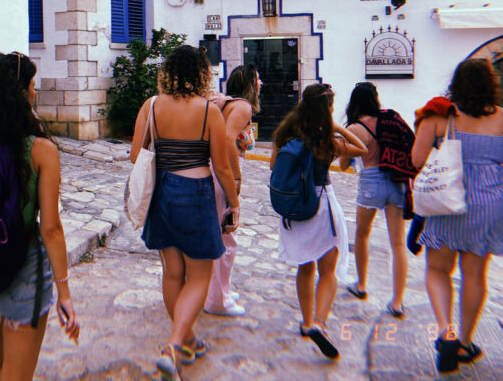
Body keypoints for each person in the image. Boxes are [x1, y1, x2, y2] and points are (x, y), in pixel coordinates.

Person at [0, 52, 79, 380]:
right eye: (32, 86)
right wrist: (64, 293)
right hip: (21, 270)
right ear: (18, 93)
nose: (35, 93)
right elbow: (51, 229)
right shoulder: (40, 150)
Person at [130, 45, 239, 381]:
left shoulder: (151, 106)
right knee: (200, 277)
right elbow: (221, 166)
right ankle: (173, 345)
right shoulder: (210, 112)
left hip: (161, 195)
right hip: (195, 196)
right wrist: (234, 202)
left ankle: (189, 341)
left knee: (173, 273)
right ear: (201, 73)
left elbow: (136, 155)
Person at [411, 58, 503, 374]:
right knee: (474, 276)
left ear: (456, 84)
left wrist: (428, 130)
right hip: (491, 206)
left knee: (437, 270)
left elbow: (417, 160)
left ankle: (445, 331)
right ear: (492, 84)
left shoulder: (440, 118)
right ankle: (465, 341)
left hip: (449, 202)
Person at [270, 83, 367, 360]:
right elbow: (361, 148)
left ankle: (305, 321)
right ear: (328, 109)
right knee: (329, 268)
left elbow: (272, 166)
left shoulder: (286, 134)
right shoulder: (326, 140)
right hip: (321, 205)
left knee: (305, 265)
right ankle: (320, 324)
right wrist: (337, 127)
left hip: (295, 207)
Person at [339, 82, 408, 318]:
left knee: (362, 234)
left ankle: (361, 285)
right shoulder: (389, 122)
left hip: (370, 180)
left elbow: (342, 163)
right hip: (396, 180)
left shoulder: (355, 129)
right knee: (398, 244)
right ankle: (398, 301)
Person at [204, 64, 262, 318]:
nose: (261, 84)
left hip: (212, 172)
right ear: (250, 83)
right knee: (227, 238)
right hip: (221, 175)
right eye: (257, 79)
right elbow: (228, 139)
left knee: (222, 235)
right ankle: (218, 300)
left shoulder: (228, 104)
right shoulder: (242, 107)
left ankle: (220, 290)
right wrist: (235, 180)